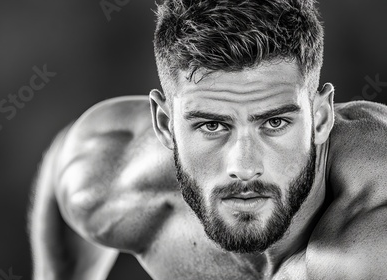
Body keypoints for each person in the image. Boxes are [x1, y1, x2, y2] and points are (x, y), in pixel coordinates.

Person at [29, 0, 387, 279]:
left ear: (320, 118)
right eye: (213, 126)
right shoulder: (114, 181)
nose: (244, 168)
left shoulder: (370, 245)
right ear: (166, 125)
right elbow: (66, 167)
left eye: (275, 122)